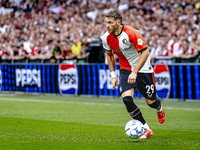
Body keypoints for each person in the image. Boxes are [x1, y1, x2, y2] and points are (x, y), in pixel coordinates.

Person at [102, 10, 165, 139]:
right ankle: (146, 128)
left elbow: (146, 52)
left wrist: (135, 71)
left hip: (144, 69)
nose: (107, 25)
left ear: (118, 23)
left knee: (151, 102)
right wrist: (113, 75)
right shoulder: (106, 38)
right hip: (125, 69)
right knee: (126, 99)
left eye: (110, 23)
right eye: (106, 22)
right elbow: (109, 55)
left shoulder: (132, 33)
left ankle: (158, 108)